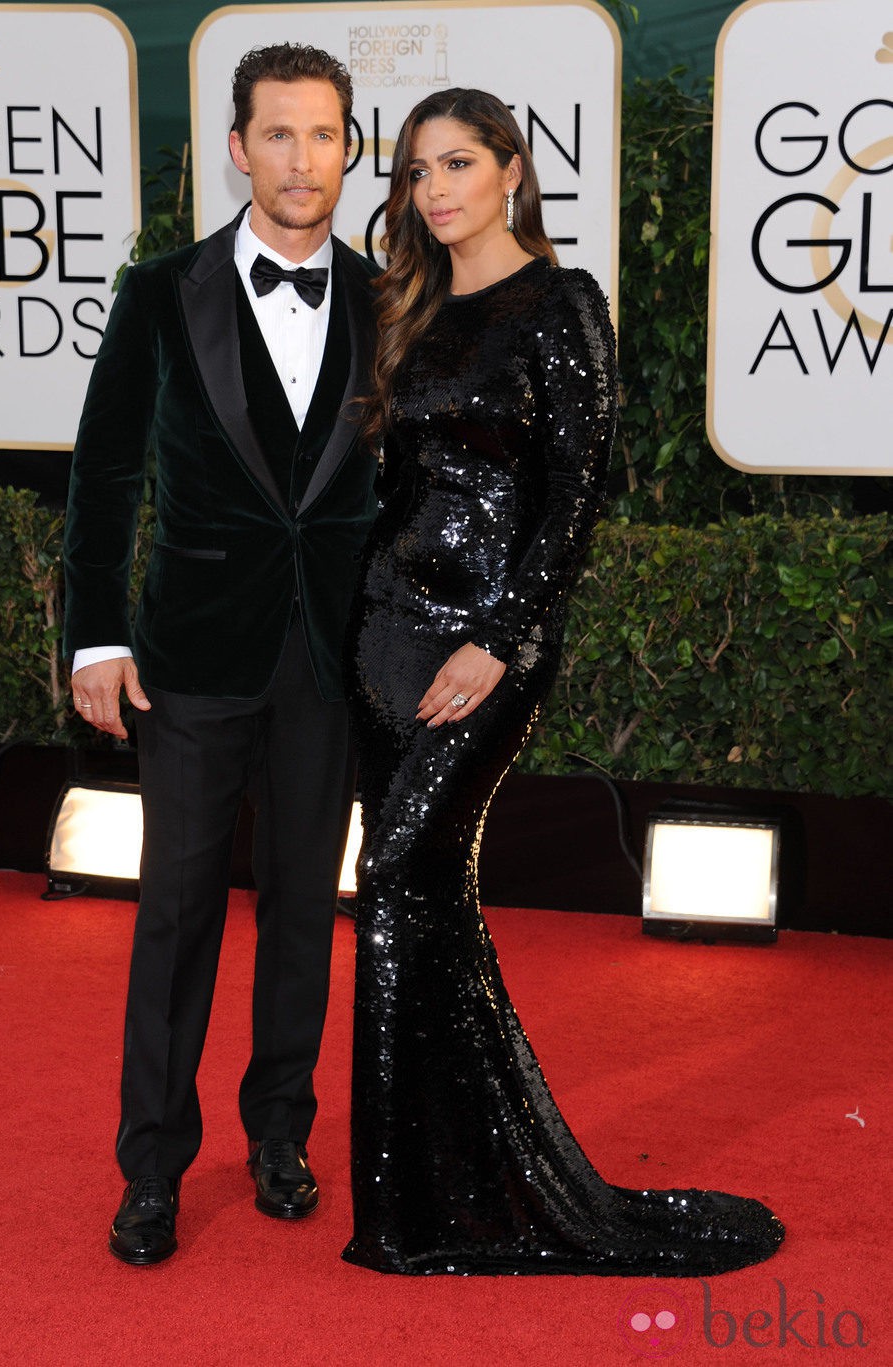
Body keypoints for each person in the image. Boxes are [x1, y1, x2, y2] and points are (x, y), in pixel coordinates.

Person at [342, 88, 784, 1276]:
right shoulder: (407, 307)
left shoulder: (560, 302)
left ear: (511, 171)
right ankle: (436, 1185)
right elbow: (381, 489)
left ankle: (424, 1199)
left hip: (485, 642)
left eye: (457, 163)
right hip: (382, 635)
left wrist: (501, 634)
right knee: (421, 897)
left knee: (393, 873)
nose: (433, 190)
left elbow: (571, 495)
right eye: (415, 169)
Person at [63, 43, 379, 1266]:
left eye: (325, 135)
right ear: (238, 148)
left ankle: (281, 1133)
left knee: (306, 910)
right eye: (280, 135)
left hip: (326, 659)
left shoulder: (382, 294)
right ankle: (151, 1167)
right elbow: (103, 470)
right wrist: (94, 633)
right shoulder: (161, 291)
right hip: (189, 655)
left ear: (350, 147)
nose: (304, 160)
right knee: (176, 918)